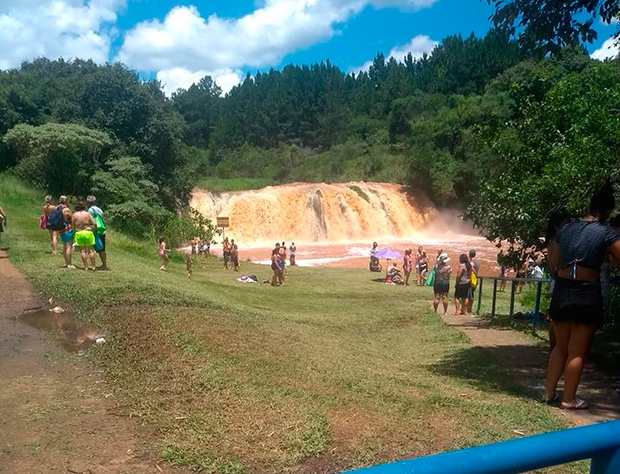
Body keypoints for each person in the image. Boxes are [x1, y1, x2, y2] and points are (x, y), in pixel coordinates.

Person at [543, 184, 620, 409]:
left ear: (589, 205)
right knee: (577, 351)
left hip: (562, 289)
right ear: (608, 211)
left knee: (560, 347)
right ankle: (569, 399)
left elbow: (555, 260)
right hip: (586, 291)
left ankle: (548, 393)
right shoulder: (606, 232)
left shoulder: (567, 229)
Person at [71, 200, 97, 271]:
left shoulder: (74, 215)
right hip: (88, 232)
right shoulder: (87, 214)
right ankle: (93, 266)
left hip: (79, 233)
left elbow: (72, 226)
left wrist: (74, 234)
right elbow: (94, 223)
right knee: (91, 250)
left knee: (82, 251)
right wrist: (92, 229)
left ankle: (86, 267)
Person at [86, 195, 108, 270]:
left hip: (96, 231)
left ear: (88, 202)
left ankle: (100, 265)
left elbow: (91, 221)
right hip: (101, 230)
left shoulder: (90, 210)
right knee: (102, 248)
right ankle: (104, 264)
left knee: (98, 248)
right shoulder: (99, 209)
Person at [56, 196, 75, 269]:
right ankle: (69, 264)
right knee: (68, 247)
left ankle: (66, 263)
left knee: (64, 246)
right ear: (66, 201)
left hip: (61, 229)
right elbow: (72, 218)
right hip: (67, 229)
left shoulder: (57, 208)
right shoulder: (66, 209)